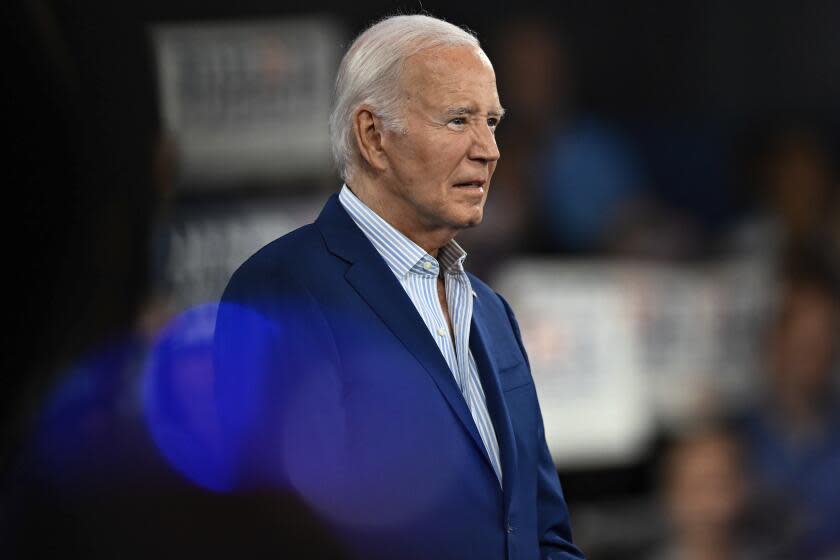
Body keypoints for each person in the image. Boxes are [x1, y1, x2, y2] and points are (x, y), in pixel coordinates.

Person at [214, 14, 585, 560]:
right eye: (459, 120)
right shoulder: (283, 291)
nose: (489, 149)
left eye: (492, 122)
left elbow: (543, 533)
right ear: (373, 136)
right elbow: (281, 536)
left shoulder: (493, 315)